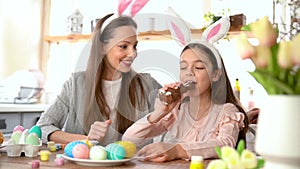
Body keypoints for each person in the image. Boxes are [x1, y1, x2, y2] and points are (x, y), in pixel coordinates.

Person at [36, 14, 161, 145]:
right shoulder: (76, 85)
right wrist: (86, 140)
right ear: (102, 47)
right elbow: (42, 127)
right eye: (124, 46)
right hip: (82, 165)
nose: (133, 53)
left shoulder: (146, 84)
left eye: (135, 46)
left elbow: (175, 116)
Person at [122, 41, 249, 162]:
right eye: (183, 67)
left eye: (198, 67)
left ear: (215, 75)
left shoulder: (227, 111)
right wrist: (159, 112)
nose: (189, 73)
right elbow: (129, 139)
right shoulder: (177, 111)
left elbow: (225, 145)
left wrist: (177, 150)